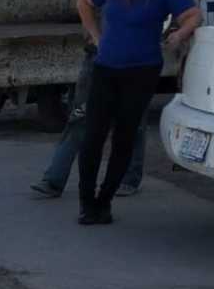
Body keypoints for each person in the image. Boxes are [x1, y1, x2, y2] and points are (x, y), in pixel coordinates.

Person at [76, 0, 201, 224]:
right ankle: (87, 203)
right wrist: (97, 36)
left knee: (124, 138)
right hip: (106, 69)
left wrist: (179, 34)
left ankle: (104, 203)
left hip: (141, 73)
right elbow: (85, 2)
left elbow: (193, 14)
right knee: (91, 137)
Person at [31, 44, 146, 199]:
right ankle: (54, 180)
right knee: (78, 120)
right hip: (98, 57)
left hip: (133, 59)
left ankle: (129, 179)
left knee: (133, 122)